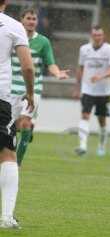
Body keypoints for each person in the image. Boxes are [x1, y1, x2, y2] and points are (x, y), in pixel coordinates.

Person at [11, 8, 69, 167]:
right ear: (21, 20)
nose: (31, 21)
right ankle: (25, 136)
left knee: (24, 123)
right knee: (12, 127)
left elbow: (50, 63)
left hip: (32, 89)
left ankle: (17, 163)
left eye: (34, 19)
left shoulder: (43, 42)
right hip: (10, 88)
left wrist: (57, 74)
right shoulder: (13, 37)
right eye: (28, 18)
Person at [0, 0, 35, 229]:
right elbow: (27, 66)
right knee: (7, 154)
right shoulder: (13, 25)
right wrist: (30, 93)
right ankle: (6, 217)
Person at [73, 25, 110, 157]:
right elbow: (80, 69)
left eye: (100, 35)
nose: (97, 37)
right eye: (95, 35)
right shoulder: (84, 49)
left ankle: (102, 145)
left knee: (101, 120)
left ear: (103, 36)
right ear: (91, 36)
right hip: (87, 90)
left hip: (104, 91)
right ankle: (82, 146)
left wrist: (101, 76)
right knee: (85, 115)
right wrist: (77, 88)